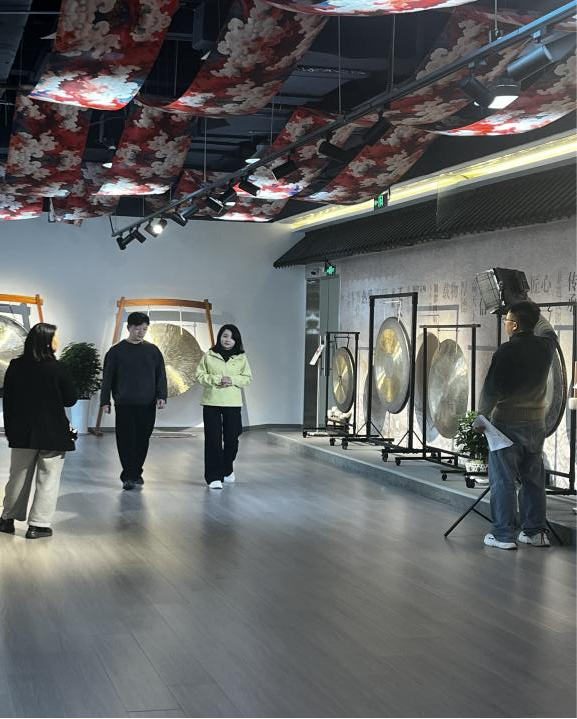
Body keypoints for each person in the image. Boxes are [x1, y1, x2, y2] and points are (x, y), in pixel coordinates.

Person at [474, 301, 557, 550]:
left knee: (503, 480)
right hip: (537, 424)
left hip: (506, 424)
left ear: (515, 325)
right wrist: (526, 302)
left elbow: (491, 388)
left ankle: (503, 535)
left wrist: (481, 417)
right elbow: (548, 329)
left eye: (507, 320)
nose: (505, 323)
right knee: (534, 480)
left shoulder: (506, 351)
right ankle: (535, 532)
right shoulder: (546, 346)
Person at [0, 323, 77, 539]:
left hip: (22, 431)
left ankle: (7, 519)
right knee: (48, 478)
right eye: (55, 337)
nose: (58, 340)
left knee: (18, 476)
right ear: (47, 342)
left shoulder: (15, 366)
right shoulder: (59, 368)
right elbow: (70, 399)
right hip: (53, 431)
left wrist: (11, 429)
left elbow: (8, 400)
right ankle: (38, 525)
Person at [100, 312, 167, 490]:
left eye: (144, 329)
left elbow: (161, 375)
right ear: (129, 327)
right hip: (124, 403)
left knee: (143, 439)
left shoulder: (153, 351)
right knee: (126, 440)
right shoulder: (116, 351)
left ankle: (136, 472)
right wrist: (105, 401)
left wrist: (162, 396)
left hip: (147, 403)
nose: (141, 332)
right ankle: (128, 476)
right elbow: (107, 378)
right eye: (137, 329)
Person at [196, 325, 252, 489]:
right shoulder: (209, 355)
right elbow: (200, 375)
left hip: (233, 404)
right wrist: (217, 380)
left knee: (232, 439)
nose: (228, 340)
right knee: (213, 440)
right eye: (225, 336)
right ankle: (214, 477)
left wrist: (232, 380)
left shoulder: (241, 357)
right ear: (219, 337)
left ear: (236, 341)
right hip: (211, 402)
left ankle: (227, 468)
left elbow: (247, 378)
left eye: (232, 337)